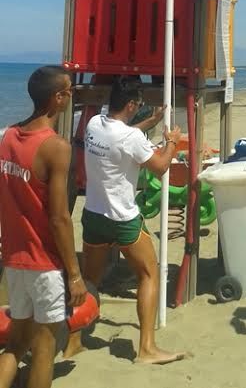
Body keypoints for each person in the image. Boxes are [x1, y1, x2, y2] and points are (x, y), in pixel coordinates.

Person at [66, 77, 184, 364]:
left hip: (93, 215)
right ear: (131, 104)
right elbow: (159, 167)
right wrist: (171, 143)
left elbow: (123, 137)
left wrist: (150, 123)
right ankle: (146, 348)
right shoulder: (130, 139)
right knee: (149, 274)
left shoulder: (94, 124)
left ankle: (73, 341)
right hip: (122, 219)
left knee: (91, 280)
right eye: (139, 104)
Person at [0, 66, 87, 388]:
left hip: (14, 257)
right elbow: (59, 217)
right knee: (44, 348)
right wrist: (74, 274)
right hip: (43, 262)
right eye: (69, 91)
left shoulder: (7, 136)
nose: (71, 96)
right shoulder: (55, 147)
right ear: (58, 98)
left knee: (16, 343)